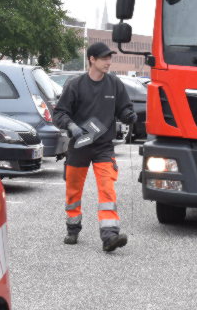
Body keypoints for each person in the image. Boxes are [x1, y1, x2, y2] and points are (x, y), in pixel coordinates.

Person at [53, 42, 137, 252]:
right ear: (92, 59)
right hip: (79, 145)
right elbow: (60, 113)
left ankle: (110, 236)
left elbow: (124, 107)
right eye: (104, 58)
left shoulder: (114, 84)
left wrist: (128, 115)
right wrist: (71, 126)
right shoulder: (75, 84)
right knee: (73, 190)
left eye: (110, 58)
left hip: (103, 146)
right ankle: (72, 229)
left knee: (107, 189)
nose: (109, 62)